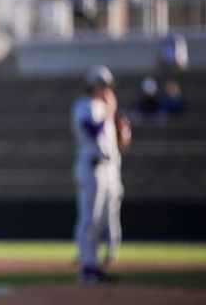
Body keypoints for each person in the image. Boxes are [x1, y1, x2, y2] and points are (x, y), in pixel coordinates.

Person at [71, 65, 124, 283]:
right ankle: (87, 266)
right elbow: (92, 131)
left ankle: (94, 264)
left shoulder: (106, 108)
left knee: (103, 219)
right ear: (92, 84)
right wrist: (109, 113)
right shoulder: (83, 106)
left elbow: (116, 142)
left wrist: (122, 131)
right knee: (89, 218)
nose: (106, 89)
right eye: (103, 85)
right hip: (91, 167)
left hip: (109, 168)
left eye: (108, 86)